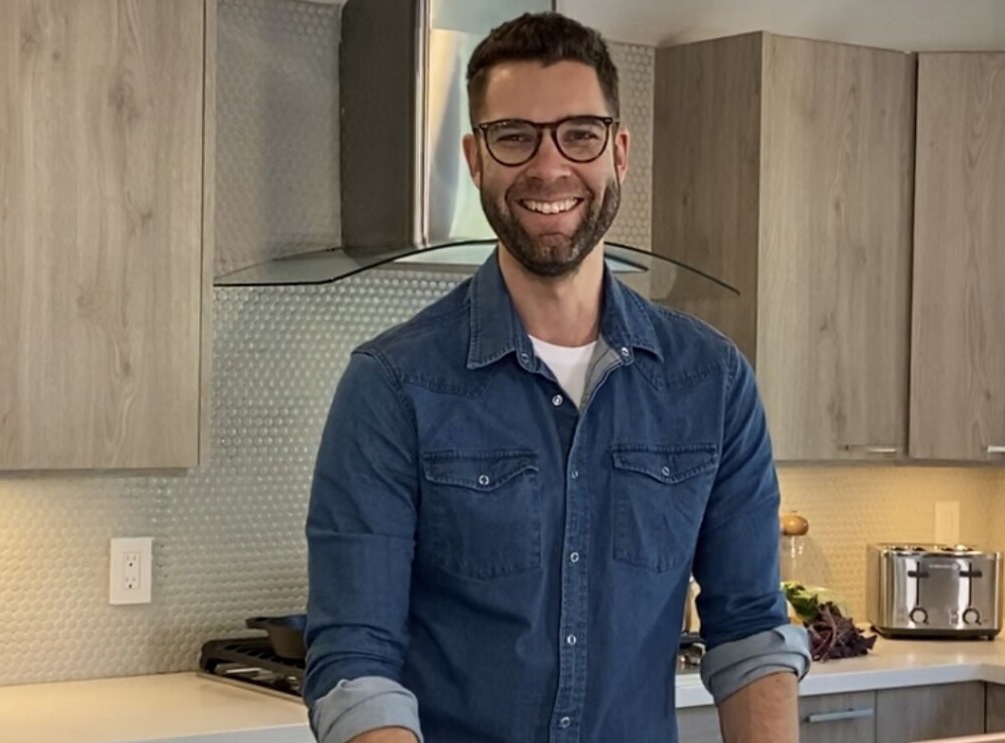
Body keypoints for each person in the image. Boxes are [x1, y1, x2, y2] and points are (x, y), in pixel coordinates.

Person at [302, 11, 811, 743]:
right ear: (476, 159)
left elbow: (752, 636)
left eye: (579, 133)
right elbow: (357, 666)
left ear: (620, 153)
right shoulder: (392, 386)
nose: (549, 167)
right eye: (515, 136)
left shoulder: (713, 382)